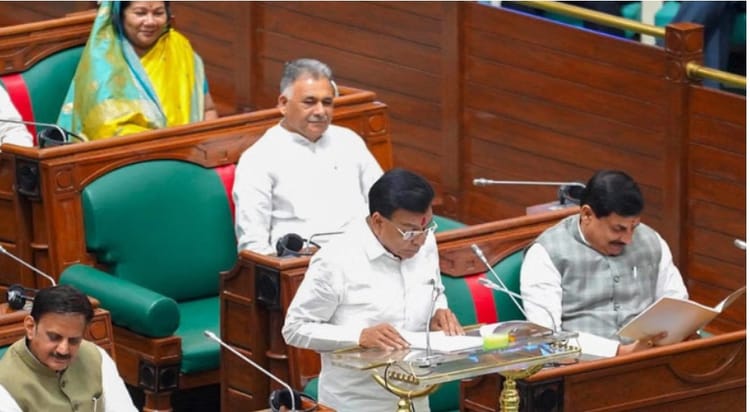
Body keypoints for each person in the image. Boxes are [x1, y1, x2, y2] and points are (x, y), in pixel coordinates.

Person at [282, 168, 463, 412]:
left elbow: (435, 289)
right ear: (378, 221)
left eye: (427, 228)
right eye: (409, 231)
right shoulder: (336, 260)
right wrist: (359, 336)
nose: (419, 240)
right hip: (356, 403)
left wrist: (438, 311)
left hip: (417, 395)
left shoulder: (424, 242)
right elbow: (295, 328)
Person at [520, 170, 688, 357]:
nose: (628, 239)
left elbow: (677, 304)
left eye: (634, 227)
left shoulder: (652, 240)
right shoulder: (546, 253)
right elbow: (546, 337)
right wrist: (619, 352)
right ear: (587, 215)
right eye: (618, 229)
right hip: (585, 366)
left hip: (655, 357)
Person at [233, 58, 383, 255]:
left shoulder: (349, 141)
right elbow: (253, 247)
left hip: (367, 254)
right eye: (309, 102)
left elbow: (385, 204)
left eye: (327, 103)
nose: (320, 112)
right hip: (304, 264)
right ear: (283, 104)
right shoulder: (258, 159)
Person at [57, 1, 218, 141]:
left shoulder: (180, 51)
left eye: (158, 13)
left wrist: (208, 145)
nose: (150, 22)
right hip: (123, 159)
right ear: (120, 15)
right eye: (140, 13)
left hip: (187, 154)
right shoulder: (104, 60)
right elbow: (102, 128)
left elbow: (207, 110)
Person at [0, 285, 136, 411]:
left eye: (74, 340)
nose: (63, 350)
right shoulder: (5, 386)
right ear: (30, 327)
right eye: (54, 337)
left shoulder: (96, 357)